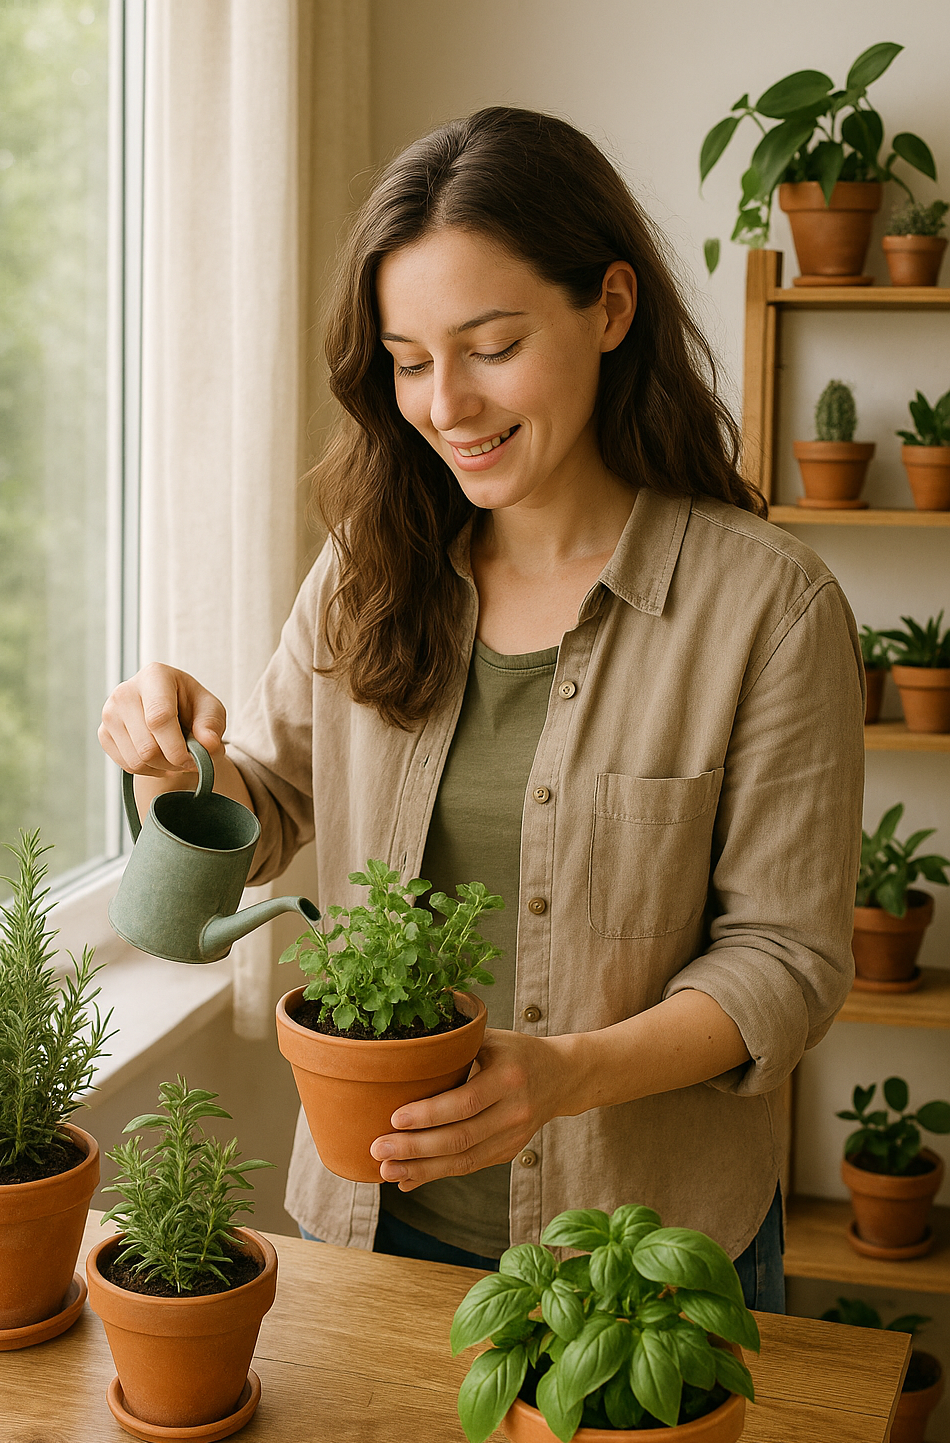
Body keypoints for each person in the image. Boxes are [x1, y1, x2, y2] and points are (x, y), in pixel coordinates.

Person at [98, 106, 864, 1312]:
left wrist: (564, 1076)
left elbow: (789, 958)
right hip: (365, 1231)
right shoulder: (370, 564)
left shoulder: (767, 607)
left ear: (609, 309)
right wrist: (173, 755)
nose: (445, 403)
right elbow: (274, 810)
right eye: (408, 361)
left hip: (634, 1266)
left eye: (490, 345)